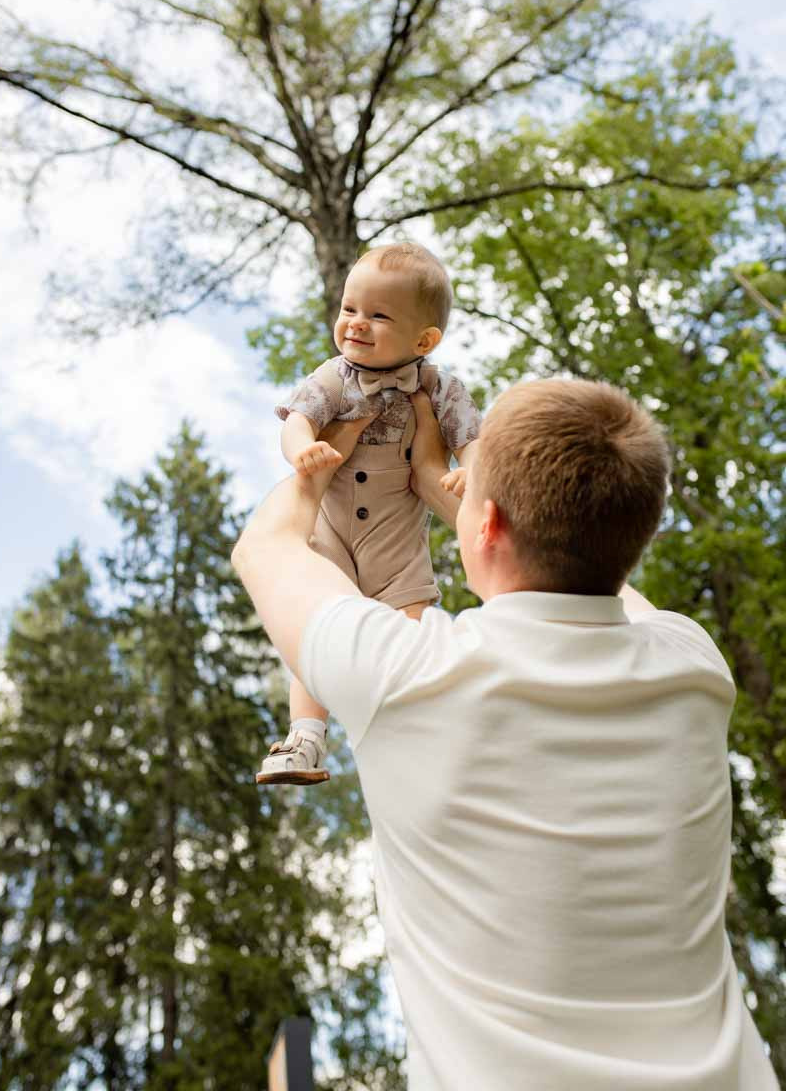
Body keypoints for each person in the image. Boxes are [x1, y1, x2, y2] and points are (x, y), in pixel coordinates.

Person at [231, 376, 779, 1090]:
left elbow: (266, 546)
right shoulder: (691, 666)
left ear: (485, 523)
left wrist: (328, 452)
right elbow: (594, 565)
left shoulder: (408, 673)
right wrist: (457, 488)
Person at [256, 240, 481, 785]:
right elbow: (296, 419)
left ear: (424, 340)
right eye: (349, 309)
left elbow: (474, 438)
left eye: (378, 315)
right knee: (315, 636)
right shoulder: (334, 376)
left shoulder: (439, 387)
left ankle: (414, 739)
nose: (356, 323)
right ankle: (305, 739)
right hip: (330, 535)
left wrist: (472, 468)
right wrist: (301, 448)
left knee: (410, 636)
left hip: (395, 540)